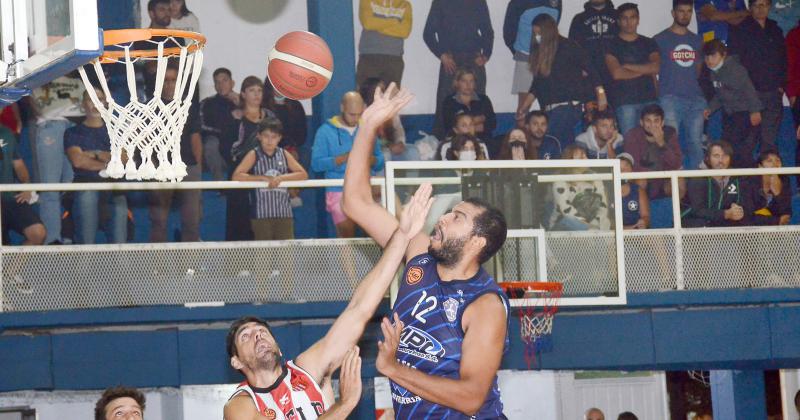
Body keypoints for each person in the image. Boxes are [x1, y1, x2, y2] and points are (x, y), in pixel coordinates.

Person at [342, 84, 510, 418]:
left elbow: (471, 397)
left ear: (477, 242)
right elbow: (355, 202)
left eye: (457, 217)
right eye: (449, 211)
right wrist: (367, 126)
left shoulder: (485, 305)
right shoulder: (417, 251)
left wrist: (392, 369)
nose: (444, 217)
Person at [223, 179, 435, 420]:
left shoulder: (307, 369)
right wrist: (343, 406)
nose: (257, 335)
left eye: (261, 331)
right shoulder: (239, 406)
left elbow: (359, 309)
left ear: (279, 348)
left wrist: (403, 236)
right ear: (236, 362)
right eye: (246, 336)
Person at [517, 13, 608, 146]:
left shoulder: (568, 46)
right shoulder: (541, 52)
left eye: (539, 33)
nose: (537, 37)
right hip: (549, 108)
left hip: (567, 105)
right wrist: (524, 107)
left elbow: (591, 70)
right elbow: (537, 84)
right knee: (562, 144)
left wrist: (601, 95)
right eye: (535, 33)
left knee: (550, 141)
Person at [311, 92, 384, 238]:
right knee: (347, 236)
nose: (356, 119)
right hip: (338, 189)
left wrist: (369, 159)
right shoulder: (325, 131)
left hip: (365, 188)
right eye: (352, 114)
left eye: (359, 114)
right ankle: (349, 262)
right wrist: (344, 158)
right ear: (342, 107)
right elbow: (316, 164)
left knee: (377, 234)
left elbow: (380, 161)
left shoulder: (368, 129)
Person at [64, 87, 128, 244]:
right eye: (91, 100)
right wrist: (109, 161)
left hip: (114, 187)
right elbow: (78, 161)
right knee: (86, 241)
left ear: (106, 102)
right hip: (86, 186)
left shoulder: (117, 131)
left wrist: (95, 153)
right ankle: (84, 269)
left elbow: (124, 160)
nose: (95, 104)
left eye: (99, 99)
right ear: (83, 104)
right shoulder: (73, 132)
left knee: (120, 243)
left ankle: (124, 269)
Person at [148, 64, 202, 242]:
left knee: (191, 222)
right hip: (160, 167)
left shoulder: (189, 106)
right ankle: (157, 269)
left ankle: (190, 268)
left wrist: (198, 167)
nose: (170, 84)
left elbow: (195, 136)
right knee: (158, 221)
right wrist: (154, 169)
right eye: (166, 80)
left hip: (188, 166)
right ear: (159, 83)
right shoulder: (149, 107)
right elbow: (147, 142)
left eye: (173, 80)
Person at [424, 0, 494, 138]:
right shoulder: (440, 2)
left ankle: (480, 145)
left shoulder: (478, 2)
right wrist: (442, 55)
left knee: (478, 102)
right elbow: (428, 33)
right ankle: (443, 143)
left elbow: (487, 31)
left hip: (474, 58)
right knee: (445, 103)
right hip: (451, 59)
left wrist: (486, 54)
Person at [232, 117, 308, 240]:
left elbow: (303, 174)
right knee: (264, 255)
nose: (269, 140)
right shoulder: (254, 154)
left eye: (274, 137)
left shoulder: (284, 154)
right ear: (259, 136)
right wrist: (261, 178)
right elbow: (237, 176)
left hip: (284, 214)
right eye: (266, 136)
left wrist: (281, 178)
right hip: (261, 215)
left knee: (285, 255)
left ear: (279, 138)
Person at [29, 73, 83, 244]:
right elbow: (28, 96)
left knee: (72, 183)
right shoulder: (40, 74)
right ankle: (52, 239)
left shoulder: (78, 78)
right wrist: (41, 116)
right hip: (50, 125)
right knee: (50, 187)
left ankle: (66, 229)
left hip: (76, 126)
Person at [727, 0, 786, 151]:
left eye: (764, 5)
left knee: (770, 140)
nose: (760, 9)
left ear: (769, 7)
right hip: (749, 94)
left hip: (773, 93)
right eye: (756, 5)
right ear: (750, 8)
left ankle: (768, 175)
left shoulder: (775, 30)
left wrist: (781, 86)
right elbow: (734, 64)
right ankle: (745, 175)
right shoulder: (740, 30)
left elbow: (783, 59)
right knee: (747, 140)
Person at [655, 0, 707, 171]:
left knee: (696, 143)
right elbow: (652, 71)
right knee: (671, 142)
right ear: (673, 13)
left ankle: (699, 186)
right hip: (670, 97)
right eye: (681, 11)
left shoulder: (697, 40)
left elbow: (699, 69)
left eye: (688, 11)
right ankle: (676, 185)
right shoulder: (659, 39)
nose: (685, 15)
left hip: (696, 99)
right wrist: (660, 93)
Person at [226, 76, 276, 241]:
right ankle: (238, 266)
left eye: (259, 90)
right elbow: (226, 148)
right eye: (252, 90)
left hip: (266, 173)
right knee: (239, 223)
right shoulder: (234, 117)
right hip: (241, 176)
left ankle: (267, 266)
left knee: (266, 224)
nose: (256, 94)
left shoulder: (271, 117)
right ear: (243, 94)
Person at [702, 39, 763, 168]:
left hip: (744, 114)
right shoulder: (714, 72)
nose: (709, 60)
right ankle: (734, 178)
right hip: (729, 115)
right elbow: (720, 95)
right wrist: (710, 109)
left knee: (740, 151)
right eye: (707, 57)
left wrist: (754, 111)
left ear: (723, 55)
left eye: (713, 56)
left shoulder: (736, 69)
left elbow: (749, 90)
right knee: (729, 149)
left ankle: (747, 180)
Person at [604, 3, 660, 135]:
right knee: (630, 144)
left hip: (649, 99)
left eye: (632, 17)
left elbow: (656, 67)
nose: (629, 22)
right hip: (625, 102)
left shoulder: (649, 42)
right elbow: (617, 73)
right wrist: (645, 70)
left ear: (638, 19)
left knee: (651, 143)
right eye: (624, 18)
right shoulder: (611, 44)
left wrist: (627, 67)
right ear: (618, 21)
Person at [503, 0, 562, 114]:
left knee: (551, 102)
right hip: (525, 57)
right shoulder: (516, 3)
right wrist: (521, 50)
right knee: (523, 106)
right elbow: (508, 32)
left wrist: (547, 50)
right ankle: (521, 131)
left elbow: (553, 24)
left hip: (549, 58)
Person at [683, 141, 753, 227]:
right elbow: (697, 211)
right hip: (695, 224)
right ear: (708, 158)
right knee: (701, 224)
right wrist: (725, 214)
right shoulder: (698, 178)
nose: (721, 160)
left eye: (725, 156)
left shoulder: (736, 179)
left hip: (722, 222)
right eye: (716, 156)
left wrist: (738, 211)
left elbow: (747, 206)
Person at [546, 143, 613, 231]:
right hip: (563, 226)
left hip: (592, 225)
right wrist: (587, 227)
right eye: (582, 157)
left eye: (586, 156)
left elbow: (602, 206)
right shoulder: (560, 180)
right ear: (569, 160)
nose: (587, 159)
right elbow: (566, 211)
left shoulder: (595, 177)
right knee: (570, 221)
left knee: (605, 222)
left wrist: (595, 224)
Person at [623, 104, 683, 199]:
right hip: (644, 178)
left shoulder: (670, 133)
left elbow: (676, 163)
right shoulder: (632, 135)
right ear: (641, 122)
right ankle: (641, 211)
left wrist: (661, 143)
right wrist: (654, 174)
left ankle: (674, 212)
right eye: (648, 121)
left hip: (663, 179)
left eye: (656, 121)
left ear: (662, 122)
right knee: (640, 180)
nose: (652, 125)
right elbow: (633, 165)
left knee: (679, 181)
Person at [0, 126, 46, 245]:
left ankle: (13, 265)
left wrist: (26, 186)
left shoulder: (6, 133)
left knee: (37, 233)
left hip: (9, 198)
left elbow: (19, 165)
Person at [356, 0, 413, 88]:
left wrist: (378, 24)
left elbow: (405, 31)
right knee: (365, 97)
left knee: (391, 98)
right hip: (369, 57)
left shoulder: (405, 5)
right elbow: (368, 23)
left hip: (394, 59)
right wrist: (394, 22)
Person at [359, 78, 416, 162]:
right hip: (375, 149)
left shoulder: (390, 109)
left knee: (413, 151)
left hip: (393, 146)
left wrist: (400, 142)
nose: (382, 94)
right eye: (378, 92)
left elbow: (399, 130)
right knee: (385, 154)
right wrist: (389, 146)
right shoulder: (363, 113)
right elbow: (368, 139)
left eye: (383, 91)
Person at [200, 67, 239, 181]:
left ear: (232, 83)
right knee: (211, 144)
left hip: (238, 146)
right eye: (217, 82)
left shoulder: (244, 101)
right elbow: (202, 126)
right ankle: (220, 184)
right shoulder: (207, 103)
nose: (221, 85)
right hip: (217, 147)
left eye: (224, 80)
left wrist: (241, 104)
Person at [440, 68, 496, 146]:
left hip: (483, 141)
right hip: (458, 142)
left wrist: (466, 126)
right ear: (457, 83)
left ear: (475, 83)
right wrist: (477, 120)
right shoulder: (449, 101)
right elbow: (450, 125)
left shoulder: (483, 100)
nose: (468, 85)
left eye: (471, 81)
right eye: (464, 81)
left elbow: (492, 123)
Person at [569, 0, 618, 87]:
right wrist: (579, 69)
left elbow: (627, 40)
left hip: (616, 75)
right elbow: (572, 48)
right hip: (590, 76)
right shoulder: (579, 19)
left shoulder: (618, 16)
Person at [262, 78, 307, 158]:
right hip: (266, 152)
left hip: (291, 152)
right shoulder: (263, 106)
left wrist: (291, 148)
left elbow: (301, 135)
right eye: (276, 83)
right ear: (269, 85)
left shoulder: (296, 106)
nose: (280, 87)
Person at [750, 149, 791, 225]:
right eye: (769, 161)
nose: (775, 164)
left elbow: (786, 215)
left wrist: (778, 193)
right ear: (760, 166)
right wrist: (775, 221)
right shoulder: (750, 182)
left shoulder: (784, 181)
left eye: (777, 160)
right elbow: (747, 216)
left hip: (776, 232)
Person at [619, 153, 649, 229]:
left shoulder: (638, 190)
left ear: (631, 171)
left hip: (635, 233)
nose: (622, 170)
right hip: (615, 234)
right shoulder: (608, 190)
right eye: (619, 167)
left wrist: (644, 222)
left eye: (626, 166)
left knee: (656, 239)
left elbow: (646, 216)